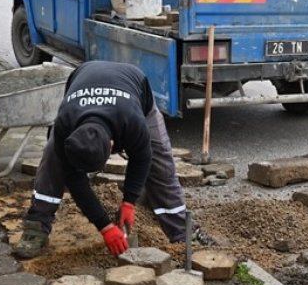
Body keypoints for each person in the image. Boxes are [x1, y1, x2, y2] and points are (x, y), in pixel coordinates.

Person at [16, 60, 204, 259]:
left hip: (133, 85)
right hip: (84, 77)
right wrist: (105, 226)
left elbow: (141, 159)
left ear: (112, 144)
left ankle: (181, 231)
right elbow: (74, 180)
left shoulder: (133, 121)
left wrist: (129, 202)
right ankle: (36, 225)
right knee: (53, 158)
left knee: (160, 161)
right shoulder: (65, 123)